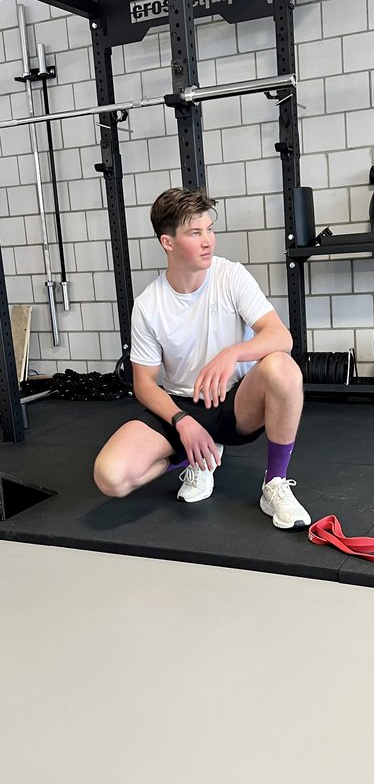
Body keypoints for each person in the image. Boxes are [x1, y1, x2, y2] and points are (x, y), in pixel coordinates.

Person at [93, 187, 311, 531]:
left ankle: (275, 483)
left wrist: (234, 353)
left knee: (283, 367)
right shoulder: (149, 305)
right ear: (168, 242)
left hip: (235, 405)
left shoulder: (231, 276)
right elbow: (144, 384)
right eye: (195, 233)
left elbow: (281, 337)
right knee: (111, 477)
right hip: (182, 405)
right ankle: (193, 457)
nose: (208, 240)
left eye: (209, 229)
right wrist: (182, 421)